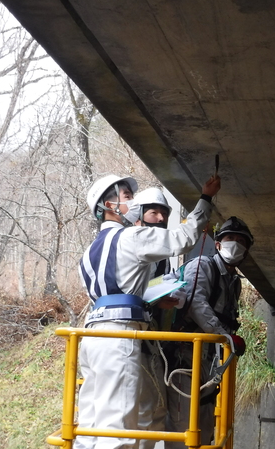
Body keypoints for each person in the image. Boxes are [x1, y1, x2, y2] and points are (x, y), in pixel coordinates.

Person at [75, 174, 220, 449]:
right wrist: (206, 198)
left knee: (92, 425)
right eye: (128, 197)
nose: (134, 202)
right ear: (110, 204)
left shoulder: (88, 253)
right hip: (121, 337)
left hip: (92, 336)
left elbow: (115, 292)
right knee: (119, 428)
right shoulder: (131, 236)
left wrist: (149, 302)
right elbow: (184, 237)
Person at [164, 217, 254, 449]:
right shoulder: (202, 265)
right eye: (230, 238)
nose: (235, 244)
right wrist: (225, 337)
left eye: (241, 241)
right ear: (218, 244)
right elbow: (197, 305)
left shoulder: (234, 281)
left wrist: (226, 339)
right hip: (185, 359)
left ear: (246, 251)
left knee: (205, 428)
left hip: (210, 361)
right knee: (184, 426)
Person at [133, 187, 175, 449]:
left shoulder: (162, 258)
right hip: (127, 337)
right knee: (132, 410)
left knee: (155, 408)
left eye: (163, 213)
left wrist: (161, 300)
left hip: (151, 338)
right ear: (138, 217)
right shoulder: (127, 247)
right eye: (153, 212)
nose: (159, 218)